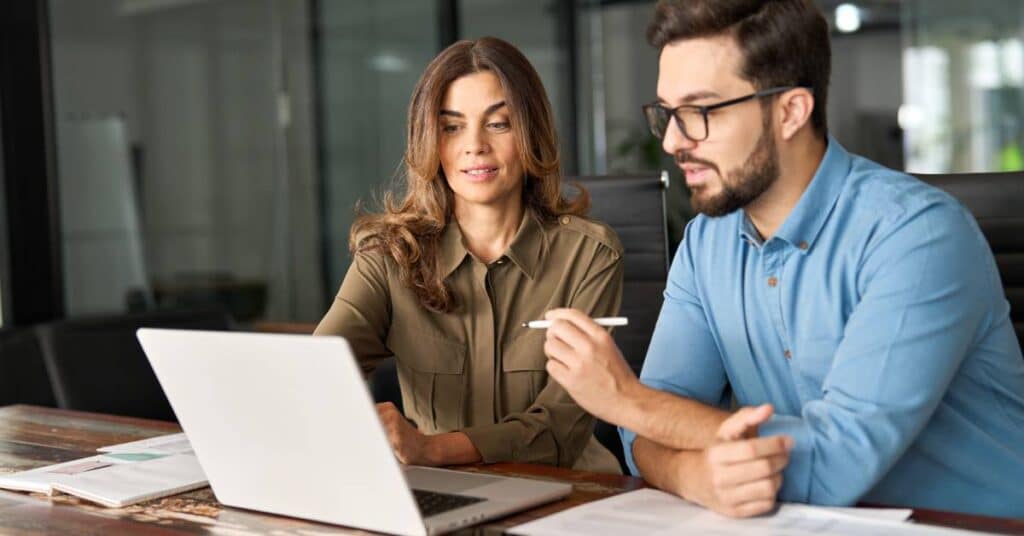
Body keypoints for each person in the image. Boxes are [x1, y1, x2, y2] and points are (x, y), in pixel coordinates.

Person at [540, 0, 1024, 518]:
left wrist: (625, 398)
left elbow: (833, 463)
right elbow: (647, 432)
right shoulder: (706, 243)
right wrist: (691, 475)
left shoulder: (918, 235)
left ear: (791, 111)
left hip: (970, 526)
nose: (674, 141)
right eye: (667, 114)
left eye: (701, 112)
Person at [315, 36, 623, 474]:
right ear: (429, 140)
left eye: (498, 124)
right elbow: (318, 372)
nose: (474, 145)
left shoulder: (589, 255)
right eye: (452, 127)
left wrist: (431, 449)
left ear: (531, 132)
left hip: (570, 492)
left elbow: (560, 427)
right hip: (441, 493)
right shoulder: (388, 257)